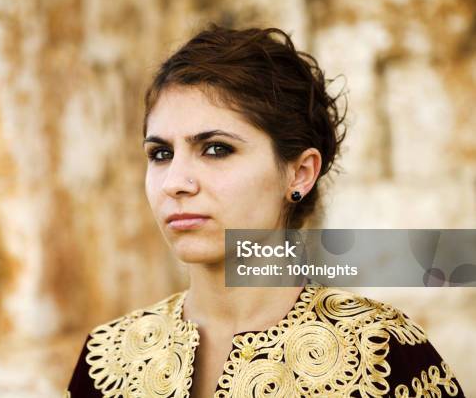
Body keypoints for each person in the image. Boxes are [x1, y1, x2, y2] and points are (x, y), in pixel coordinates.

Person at [65, 24, 465, 397]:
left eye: (216, 149)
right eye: (161, 154)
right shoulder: (108, 359)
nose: (175, 182)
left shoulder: (383, 353)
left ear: (300, 173)